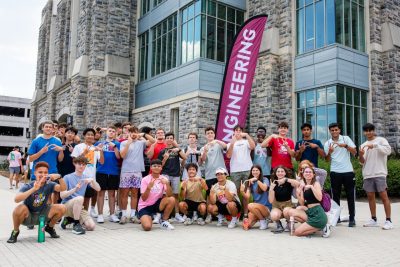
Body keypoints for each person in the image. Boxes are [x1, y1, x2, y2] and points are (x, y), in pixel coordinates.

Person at [7, 162, 66, 243]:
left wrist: (59, 177)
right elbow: (16, 199)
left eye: (45, 172)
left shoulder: (49, 184)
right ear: (35, 173)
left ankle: (50, 227)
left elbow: (63, 188)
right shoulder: (28, 186)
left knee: (62, 208)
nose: (43, 174)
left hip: (43, 214)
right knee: (19, 209)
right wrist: (34, 189)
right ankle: (15, 231)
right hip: (29, 216)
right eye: (40, 172)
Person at [358, 123, 393, 230]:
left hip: (380, 173)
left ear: (373, 130)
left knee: (383, 196)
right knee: (370, 197)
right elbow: (362, 162)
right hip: (368, 174)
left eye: (370, 130)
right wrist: (360, 154)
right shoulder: (362, 144)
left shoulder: (381, 140)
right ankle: (373, 219)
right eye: (366, 131)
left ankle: (388, 220)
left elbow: (388, 151)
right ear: (364, 132)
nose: (368, 132)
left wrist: (375, 146)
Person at [119, 126, 155, 224]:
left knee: (135, 193)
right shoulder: (123, 143)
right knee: (124, 193)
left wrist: (143, 134)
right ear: (128, 133)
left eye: (135, 132)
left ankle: (133, 215)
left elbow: (152, 141)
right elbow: (122, 155)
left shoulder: (141, 143)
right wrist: (128, 143)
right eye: (131, 132)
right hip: (126, 171)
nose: (133, 133)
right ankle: (123, 215)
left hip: (137, 171)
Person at [324, 122, 357, 227]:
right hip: (335, 172)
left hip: (348, 172)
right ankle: (336, 218)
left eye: (336, 130)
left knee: (350, 196)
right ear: (330, 131)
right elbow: (327, 160)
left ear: (339, 130)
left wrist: (346, 146)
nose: (334, 132)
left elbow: (355, 152)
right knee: (335, 197)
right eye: (332, 130)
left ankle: (352, 219)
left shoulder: (346, 139)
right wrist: (329, 152)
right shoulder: (327, 143)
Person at [60, 156, 101, 234]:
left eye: (83, 164)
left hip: (78, 207)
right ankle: (76, 224)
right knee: (80, 198)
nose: (81, 166)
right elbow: (62, 196)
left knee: (91, 226)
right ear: (74, 164)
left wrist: (92, 181)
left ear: (85, 166)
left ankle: (68, 220)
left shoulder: (86, 178)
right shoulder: (67, 177)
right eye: (79, 164)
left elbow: (98, 189)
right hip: (66, 206)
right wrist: (75, 189)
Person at [71, 128, 104, 217]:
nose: (90, 136)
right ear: (84, 136)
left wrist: (101, 151)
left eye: (92, 135)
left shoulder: (95, 148)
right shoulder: (78, 147)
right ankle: (75, 216)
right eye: (88, 134)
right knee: (78, 198)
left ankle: (84, 216)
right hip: (79, 177)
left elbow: (101, 161)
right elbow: (74, 161)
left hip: (91, 177)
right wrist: (84, 153)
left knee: (87, 198)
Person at [288, 166, 329, 237]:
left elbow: (319, 198)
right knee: (291, 211)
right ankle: (315, 228)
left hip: (318, 213)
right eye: (306, 172)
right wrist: (298, 193)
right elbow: (302, 203)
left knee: (297, 233)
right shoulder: (304, 186)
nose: (308, 173)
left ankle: (322, 227)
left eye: (310, 172)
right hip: (310, 212)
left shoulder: (316, 184)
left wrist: (312, 187)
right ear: (303, 174)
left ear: (313, 175)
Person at [226, 125, 255, 217]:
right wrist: (232, 143)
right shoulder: (230, 143)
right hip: (235, 171)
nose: (238, 132)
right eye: (236, 130)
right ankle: (237, 213)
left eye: (240, 130)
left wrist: (247, 135)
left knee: (245, 192)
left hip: (247, 169)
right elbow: (229, 156)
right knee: (236, 192)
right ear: (234, 132)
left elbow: (253, 146)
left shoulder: (246, 141)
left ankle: (245, 213)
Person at [138, 159, 176, 231]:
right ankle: (149, 217)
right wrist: (148, 188)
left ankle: (164, 221)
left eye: (159, 166)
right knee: (147, 227)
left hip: (157, 204)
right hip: (145, 206)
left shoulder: (164, 178)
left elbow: (170, 195)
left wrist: (167, 184)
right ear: (151, 168)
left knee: (172, 199)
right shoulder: (145, 179)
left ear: (161, 168)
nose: (156, 167)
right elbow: (143, 198)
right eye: (154, 166)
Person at [199, 126, 227, 223]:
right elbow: (201, 161)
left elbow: (226, 146)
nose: (210, 134)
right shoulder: (203, 147)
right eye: (208, 133)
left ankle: (222, 214)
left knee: (222, 194)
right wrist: (205, 151)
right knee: (210, 195)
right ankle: (210, 214)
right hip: (209, 174)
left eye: (211, 133)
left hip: (221, 174)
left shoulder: (218, 144)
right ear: (205, 135)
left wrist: (217, 141)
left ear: (214, 134)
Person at [158, 132, 187, 223]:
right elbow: (160, 166)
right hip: (165, 174)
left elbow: (185, 157)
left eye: (171, 138)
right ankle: (163, 215)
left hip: (176, 174)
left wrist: (178, 149)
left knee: (175, 195)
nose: (169, 139)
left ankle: (177, 214)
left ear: (173, 140)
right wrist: (165, 159)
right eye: (168, 138)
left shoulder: (177, 150)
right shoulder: (162, 151)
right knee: (165, 194)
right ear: (165, 139)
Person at [95, 126, 121, 223]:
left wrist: (114, 147)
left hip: (113, 171)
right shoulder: (99, 143)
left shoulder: (118, 144)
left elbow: (118, 157)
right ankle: (100, 214)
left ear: (115, 133)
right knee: (100, 193)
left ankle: (112, 214)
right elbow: (97, 158)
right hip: (101, 170)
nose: (111, 132)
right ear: (106, 132)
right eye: (110, 131)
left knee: (112, 194)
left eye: (113, 131)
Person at [268, 166, 299, 233]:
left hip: (288, 204)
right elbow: (270, 200)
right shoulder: (274, 183)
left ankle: (289, 222)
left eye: (282, 171)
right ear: (275, 173)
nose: (280, 173)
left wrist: (286, 179)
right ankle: (279, 225)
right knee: (274, 215)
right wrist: (271, 189)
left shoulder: (289, 182)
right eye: (278, 171)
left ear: (285, 173)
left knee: (286, 211)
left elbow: (298, 184)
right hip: (277, 205)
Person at [240, 165, 271, 230]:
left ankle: (262, 221)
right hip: (255, 208)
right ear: (251, 172)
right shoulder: (250, 182)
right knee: (246, 226)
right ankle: (261, 219)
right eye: (253, 170)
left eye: (257, 170)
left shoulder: (265, 179)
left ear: (260, 172)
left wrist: (257, 180)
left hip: (266, 208)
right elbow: (247, 196)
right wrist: (242, 191)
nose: (255, 172)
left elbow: (265, 188)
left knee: (250, 205)